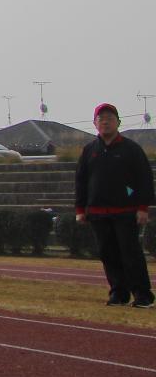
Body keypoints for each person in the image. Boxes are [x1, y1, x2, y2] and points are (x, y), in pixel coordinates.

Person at [76, 103, 153, 309]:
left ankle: (143, 294)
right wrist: (80, 209)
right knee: (108, 254)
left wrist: (143, 207)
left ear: (118, 122)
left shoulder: (131, 149)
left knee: (131, 254)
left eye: (110, 118)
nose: (105, 121)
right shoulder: (90, 150)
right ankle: (118, 293)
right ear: (95, 123)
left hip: (125, 212)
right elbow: (81, 181)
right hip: (98, 213)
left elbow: (144, 179)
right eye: (101, 119)